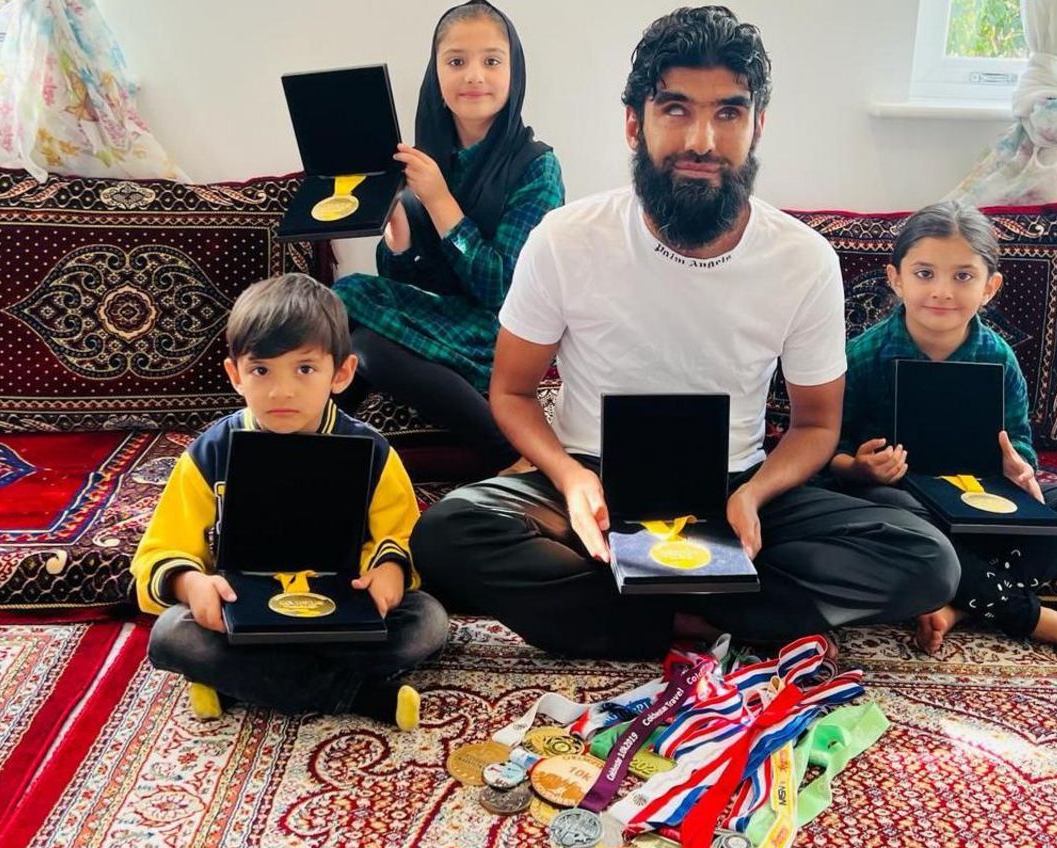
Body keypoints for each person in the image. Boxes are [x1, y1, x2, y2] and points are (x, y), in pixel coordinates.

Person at [410, 6, 959, 659]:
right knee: (448, 533)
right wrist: (568, 476)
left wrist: (755, 495)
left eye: (728, 113)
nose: (702, 138)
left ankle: (632, 609)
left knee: (927, 560)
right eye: (675, 109)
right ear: (633, 124)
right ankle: (711, 622)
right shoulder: (565, 239)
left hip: (733, 484)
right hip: (594, 476)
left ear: (757, 126)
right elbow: (513, 391)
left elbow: (816, 425)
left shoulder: (804, 258)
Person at [829, 201, 1057, 674]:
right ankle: (1046, 622)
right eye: (925, 273)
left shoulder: (998, 359)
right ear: (896, 279)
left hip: (976, 503)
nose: (942, 292)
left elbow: (1017, 443)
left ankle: (959, 605)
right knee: (901, 519)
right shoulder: (865, 355)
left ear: (990, 286)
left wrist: (1020, 470)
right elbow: (829, 449)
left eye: (963, 276)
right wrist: (859, 466)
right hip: (900, 505)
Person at [131, 274, 449, 725]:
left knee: (427, 622)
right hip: (244, 614)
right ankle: (360, 696)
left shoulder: (373, 451)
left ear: (341, 373)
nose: (282, 391)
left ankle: (239, 680)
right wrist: (191, 585)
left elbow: (401, 534)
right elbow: (160, 551)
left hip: (341, 612)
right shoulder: (210, 452)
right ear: (235, 374)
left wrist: (391, 571)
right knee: (171, 637)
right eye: (261, 370)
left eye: (304, 369)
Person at [332, 0, 564, 471]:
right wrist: (398, 223)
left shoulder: (537, 167)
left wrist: (439, 201)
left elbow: (502, 287)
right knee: (339, 303)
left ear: (514, 73)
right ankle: (310, 443)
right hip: (443, 313)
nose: (473, 75)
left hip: (504, 329)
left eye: (491, 61)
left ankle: (513, 453)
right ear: (436, 74)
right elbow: (406, 275)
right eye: (456, 61)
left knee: (369, 345)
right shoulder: (428, 155)